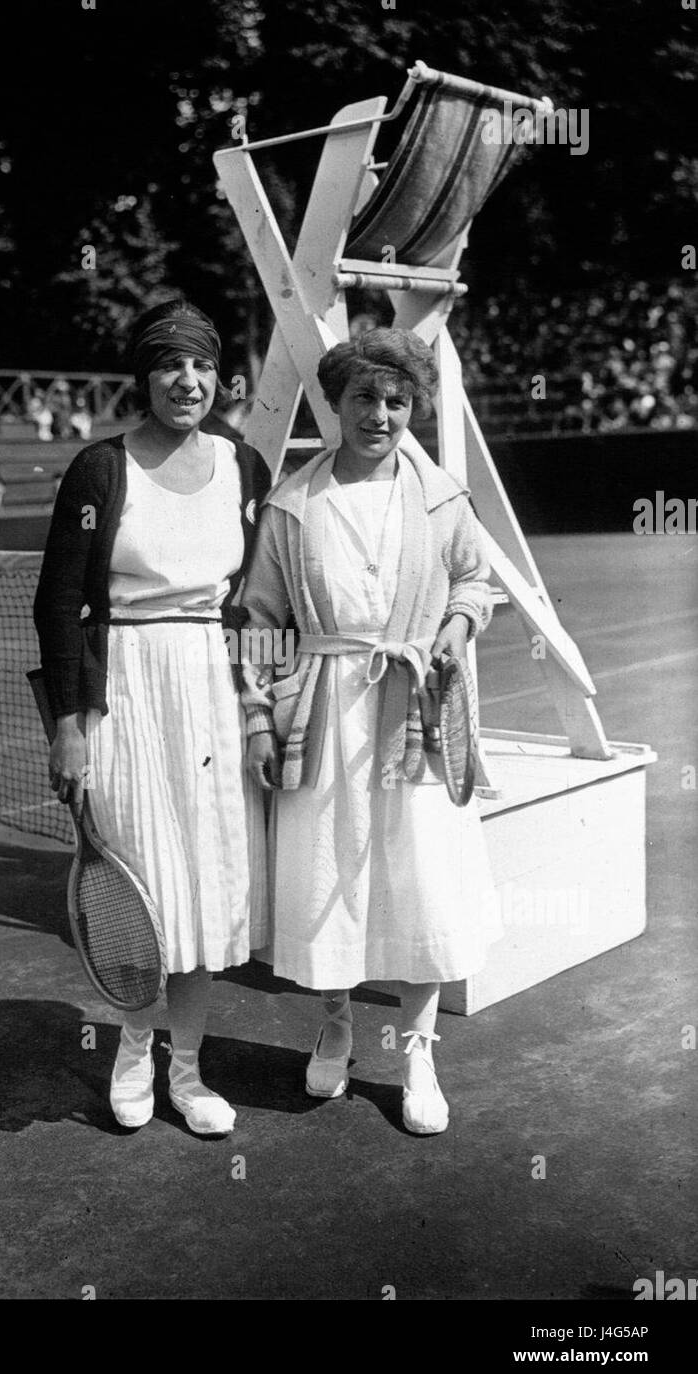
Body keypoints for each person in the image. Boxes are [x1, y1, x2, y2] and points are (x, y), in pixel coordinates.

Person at [243, 328, 501, 1136]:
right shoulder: (291, 503)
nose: (379, 414)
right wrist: (259, 715)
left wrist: (455, 628)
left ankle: (420, 1049)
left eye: (395, 401)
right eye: (363, 398)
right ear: (335, 402)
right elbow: (260, 619)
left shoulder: (441, 496)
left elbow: (474, 578)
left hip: (414, 706)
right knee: (329, 877)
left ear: (412, 407)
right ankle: (336, 1025)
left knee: (417, 875)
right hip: (321, 713)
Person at [33, 298, 272, 1136]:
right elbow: (58, 605)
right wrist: (68, 725)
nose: (188, 380)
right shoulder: (100, 470)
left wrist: (260, 704)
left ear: (219, 377)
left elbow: (257, 604)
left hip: (211, 688)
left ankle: (190, 1072)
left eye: (202, 364)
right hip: (122, 688)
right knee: (139, 879)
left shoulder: (243, 467)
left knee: (202, 883)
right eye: (170, 364)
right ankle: (134, 1051)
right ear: (145, 378)